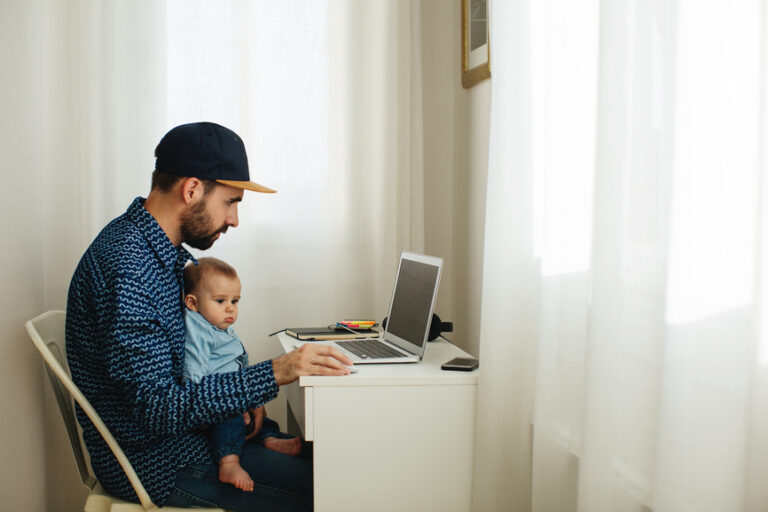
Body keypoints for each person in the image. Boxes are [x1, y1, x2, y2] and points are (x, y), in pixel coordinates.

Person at [66, 121, 353, 511]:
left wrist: (234, 400)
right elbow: (157, 409)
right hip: (158, 463)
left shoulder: (161, 254)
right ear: (192, 189)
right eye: (231, 202)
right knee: (340, 488)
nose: (234, 220)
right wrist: (273, 373)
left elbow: (186, 369)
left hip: (186, 441)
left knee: (338, 461)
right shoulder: (128, 267)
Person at [181, 256, 301, 492]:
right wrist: (216, 404)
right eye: (220, 300)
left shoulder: (218, 325)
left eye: (235, 301)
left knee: (261, 413)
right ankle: (229, 462)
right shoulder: (198, 329)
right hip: (214, 400)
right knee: (230, 420)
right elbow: (192, 374)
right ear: (193, 303)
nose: (230, 308)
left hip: (232, 393)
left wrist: (248, 397)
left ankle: (269, 438)